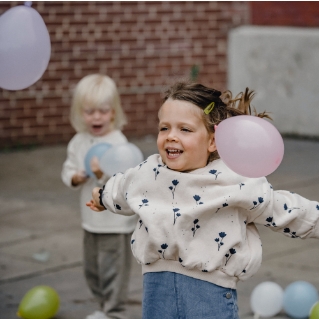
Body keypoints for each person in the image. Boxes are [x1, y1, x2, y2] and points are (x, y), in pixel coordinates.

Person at [86, 81, 319, 319]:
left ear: (212, 141)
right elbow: (122, 188)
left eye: (185, 129)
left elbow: (283, 209)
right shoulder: (148, 173)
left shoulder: (234, 183)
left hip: (209, 295)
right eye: (164, 128)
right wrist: (102, 196)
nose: (171, 137)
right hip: (158, 290)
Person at [62, 74, 138, 319]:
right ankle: (102, 307)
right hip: (90, 220)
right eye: (90, 111)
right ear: (79, 112)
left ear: (113, 112)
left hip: (115, 223)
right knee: (92, 269)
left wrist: (101, 175)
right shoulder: (78, 141)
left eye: (103, 111)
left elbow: (123, 181)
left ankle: (114, 312)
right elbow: (68, 170)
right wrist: (78, 177)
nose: (96, 117)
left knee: (114, 270)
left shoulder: (118, 142)